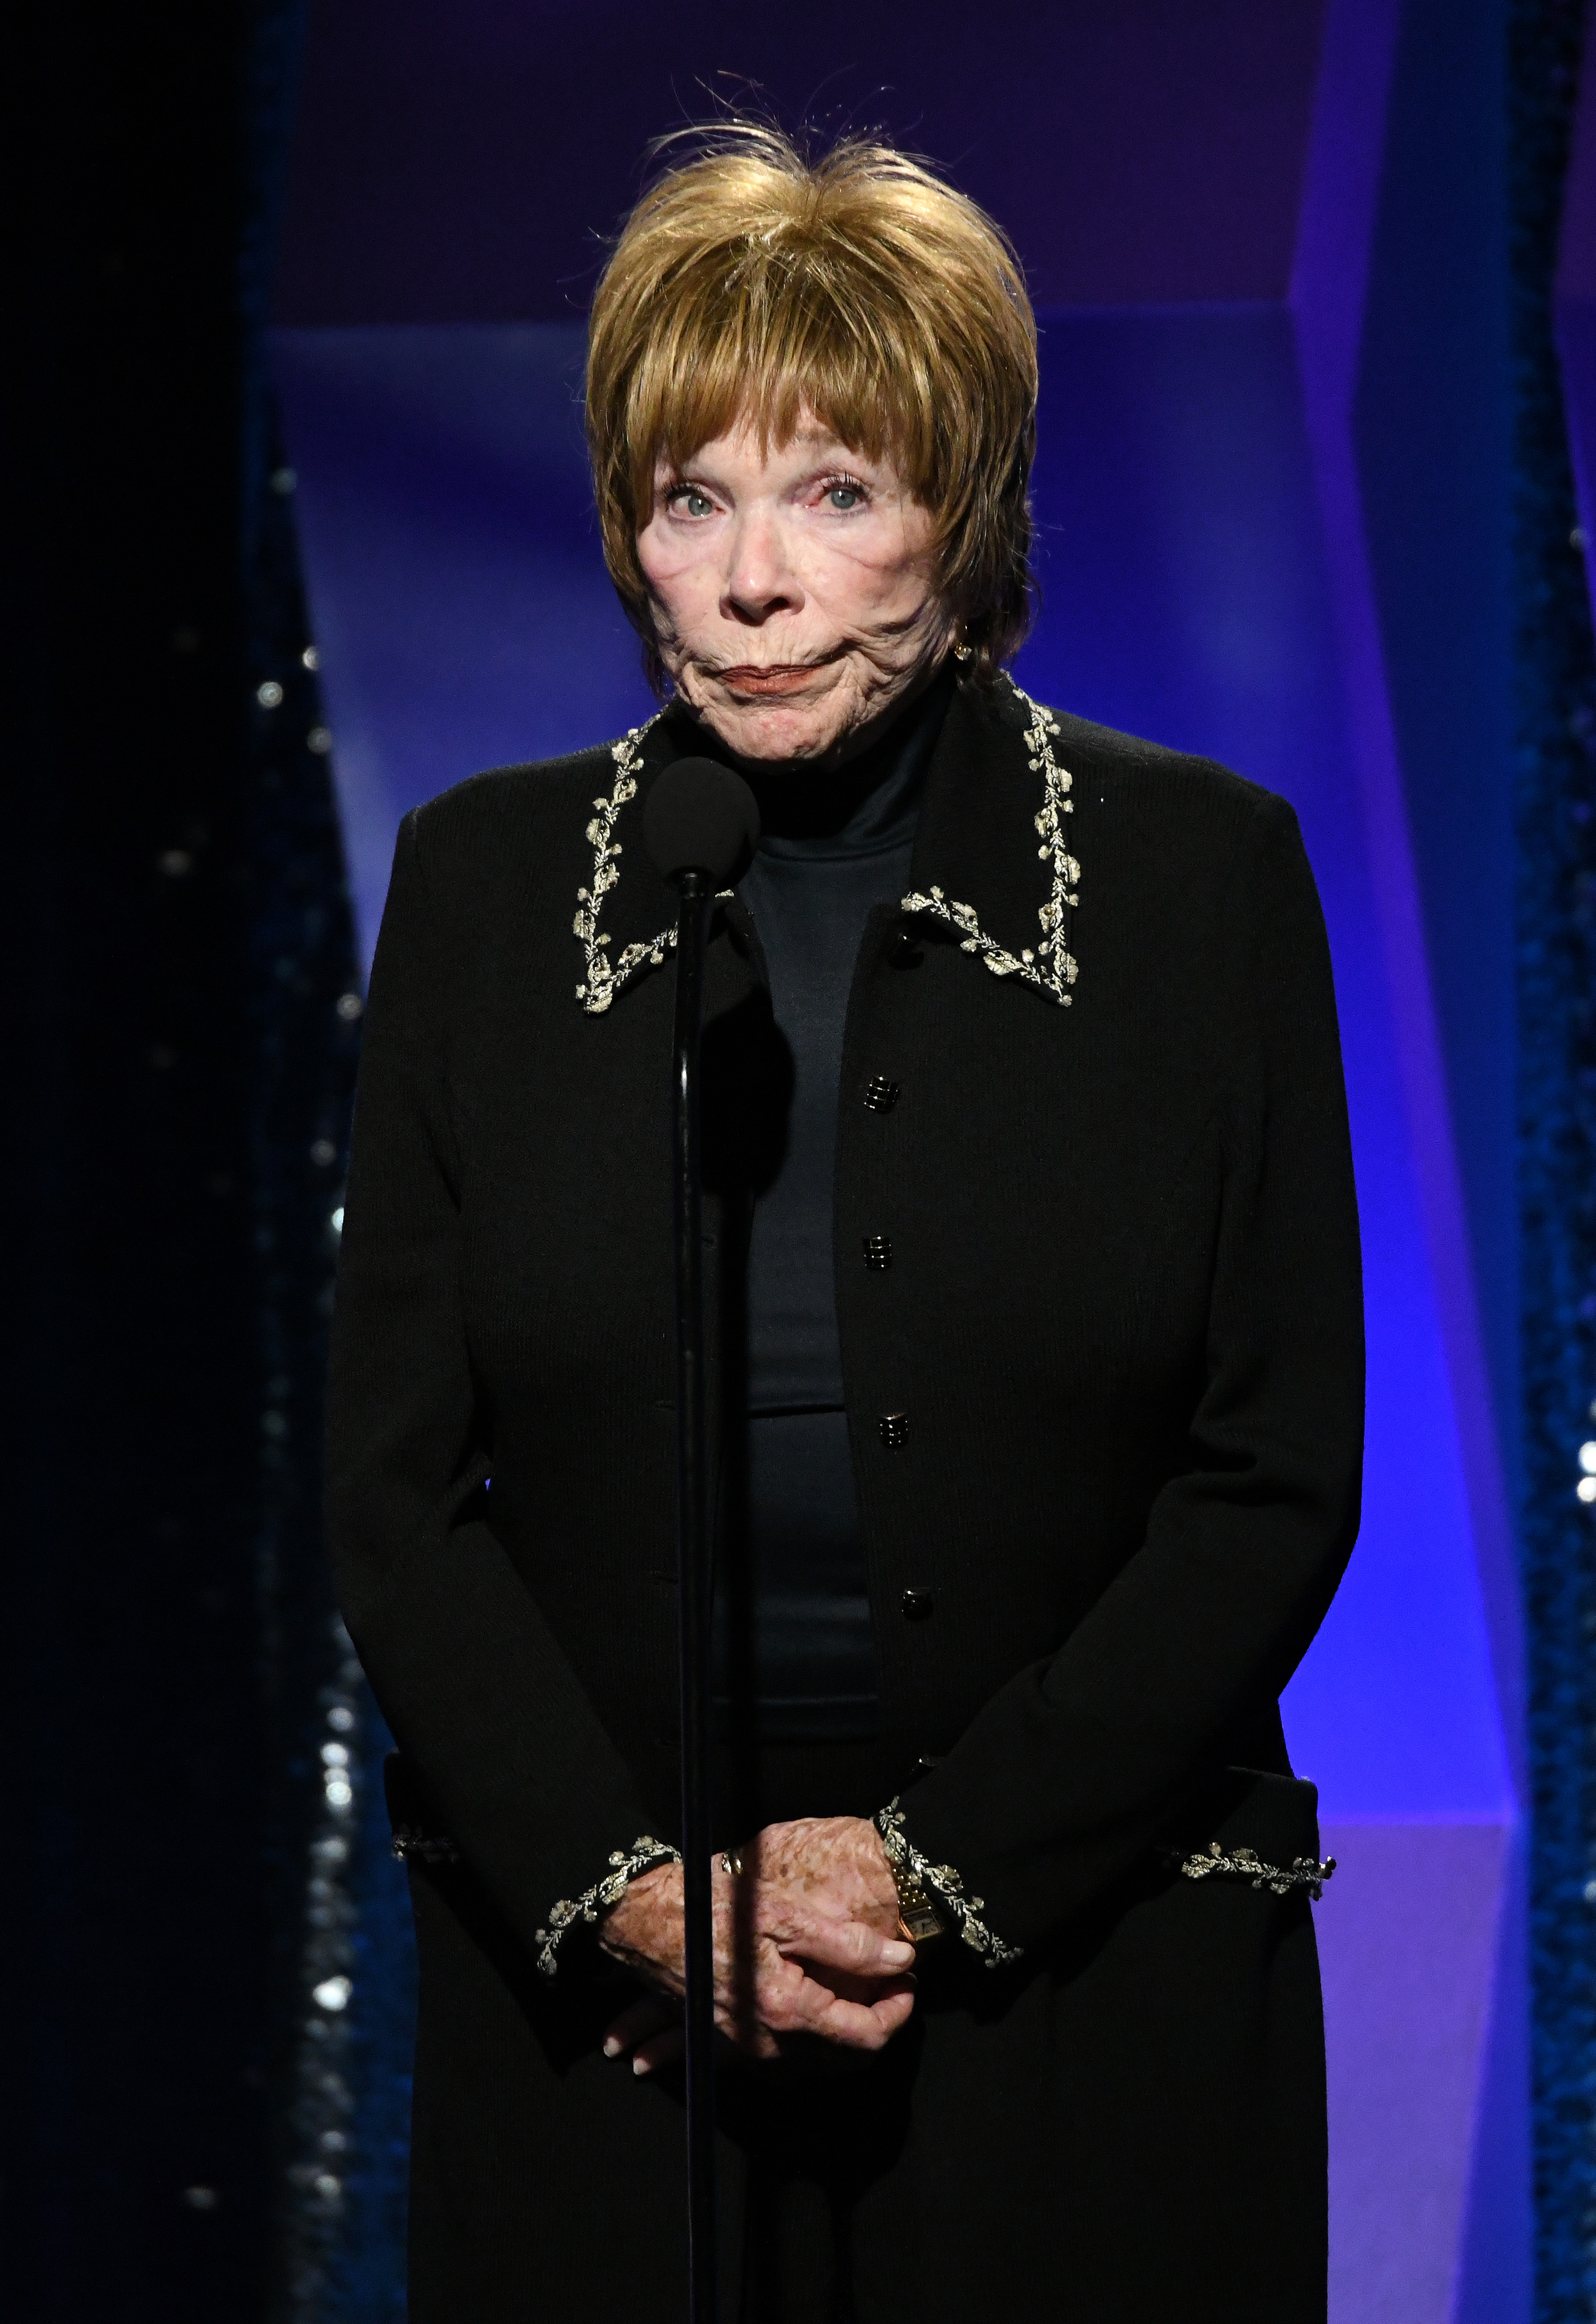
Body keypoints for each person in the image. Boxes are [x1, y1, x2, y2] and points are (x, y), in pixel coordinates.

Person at [326, 124, 1363, 2324]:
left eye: (835, 493)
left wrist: (924, 1879)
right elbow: (392, 1491)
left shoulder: (1201, 886)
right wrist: (637, 1899)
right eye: (693, 499)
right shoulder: (490, 892)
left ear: (957, 521)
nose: (755, 580)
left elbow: (1272, 1479)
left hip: (1091, 1993)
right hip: (612, 2029)